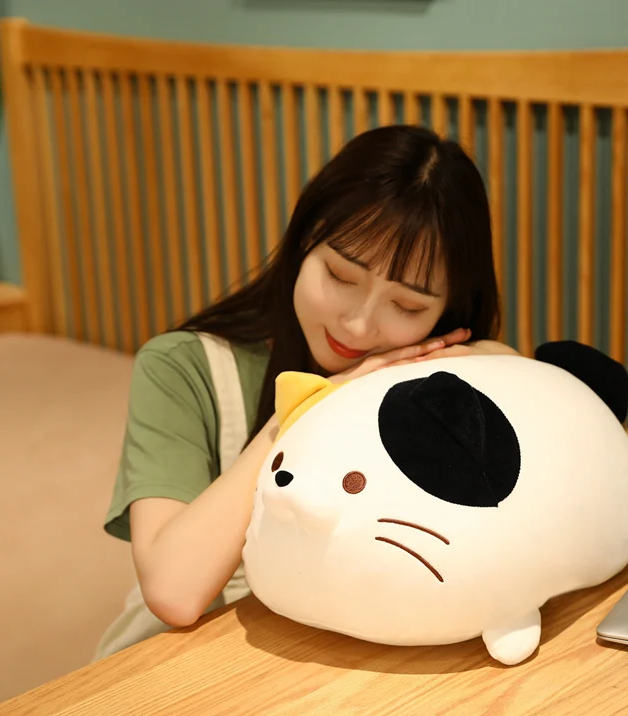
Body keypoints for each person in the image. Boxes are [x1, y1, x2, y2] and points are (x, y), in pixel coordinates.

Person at [94, 124, 518, 659]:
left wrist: (481, 359)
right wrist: (311, 405)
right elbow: (174, 591)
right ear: (303, 241)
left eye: (407, 306)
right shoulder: (183, 367)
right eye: (341, 276)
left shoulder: (428, 370)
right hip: (183, 659)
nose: (359, 326)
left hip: (352, 654)